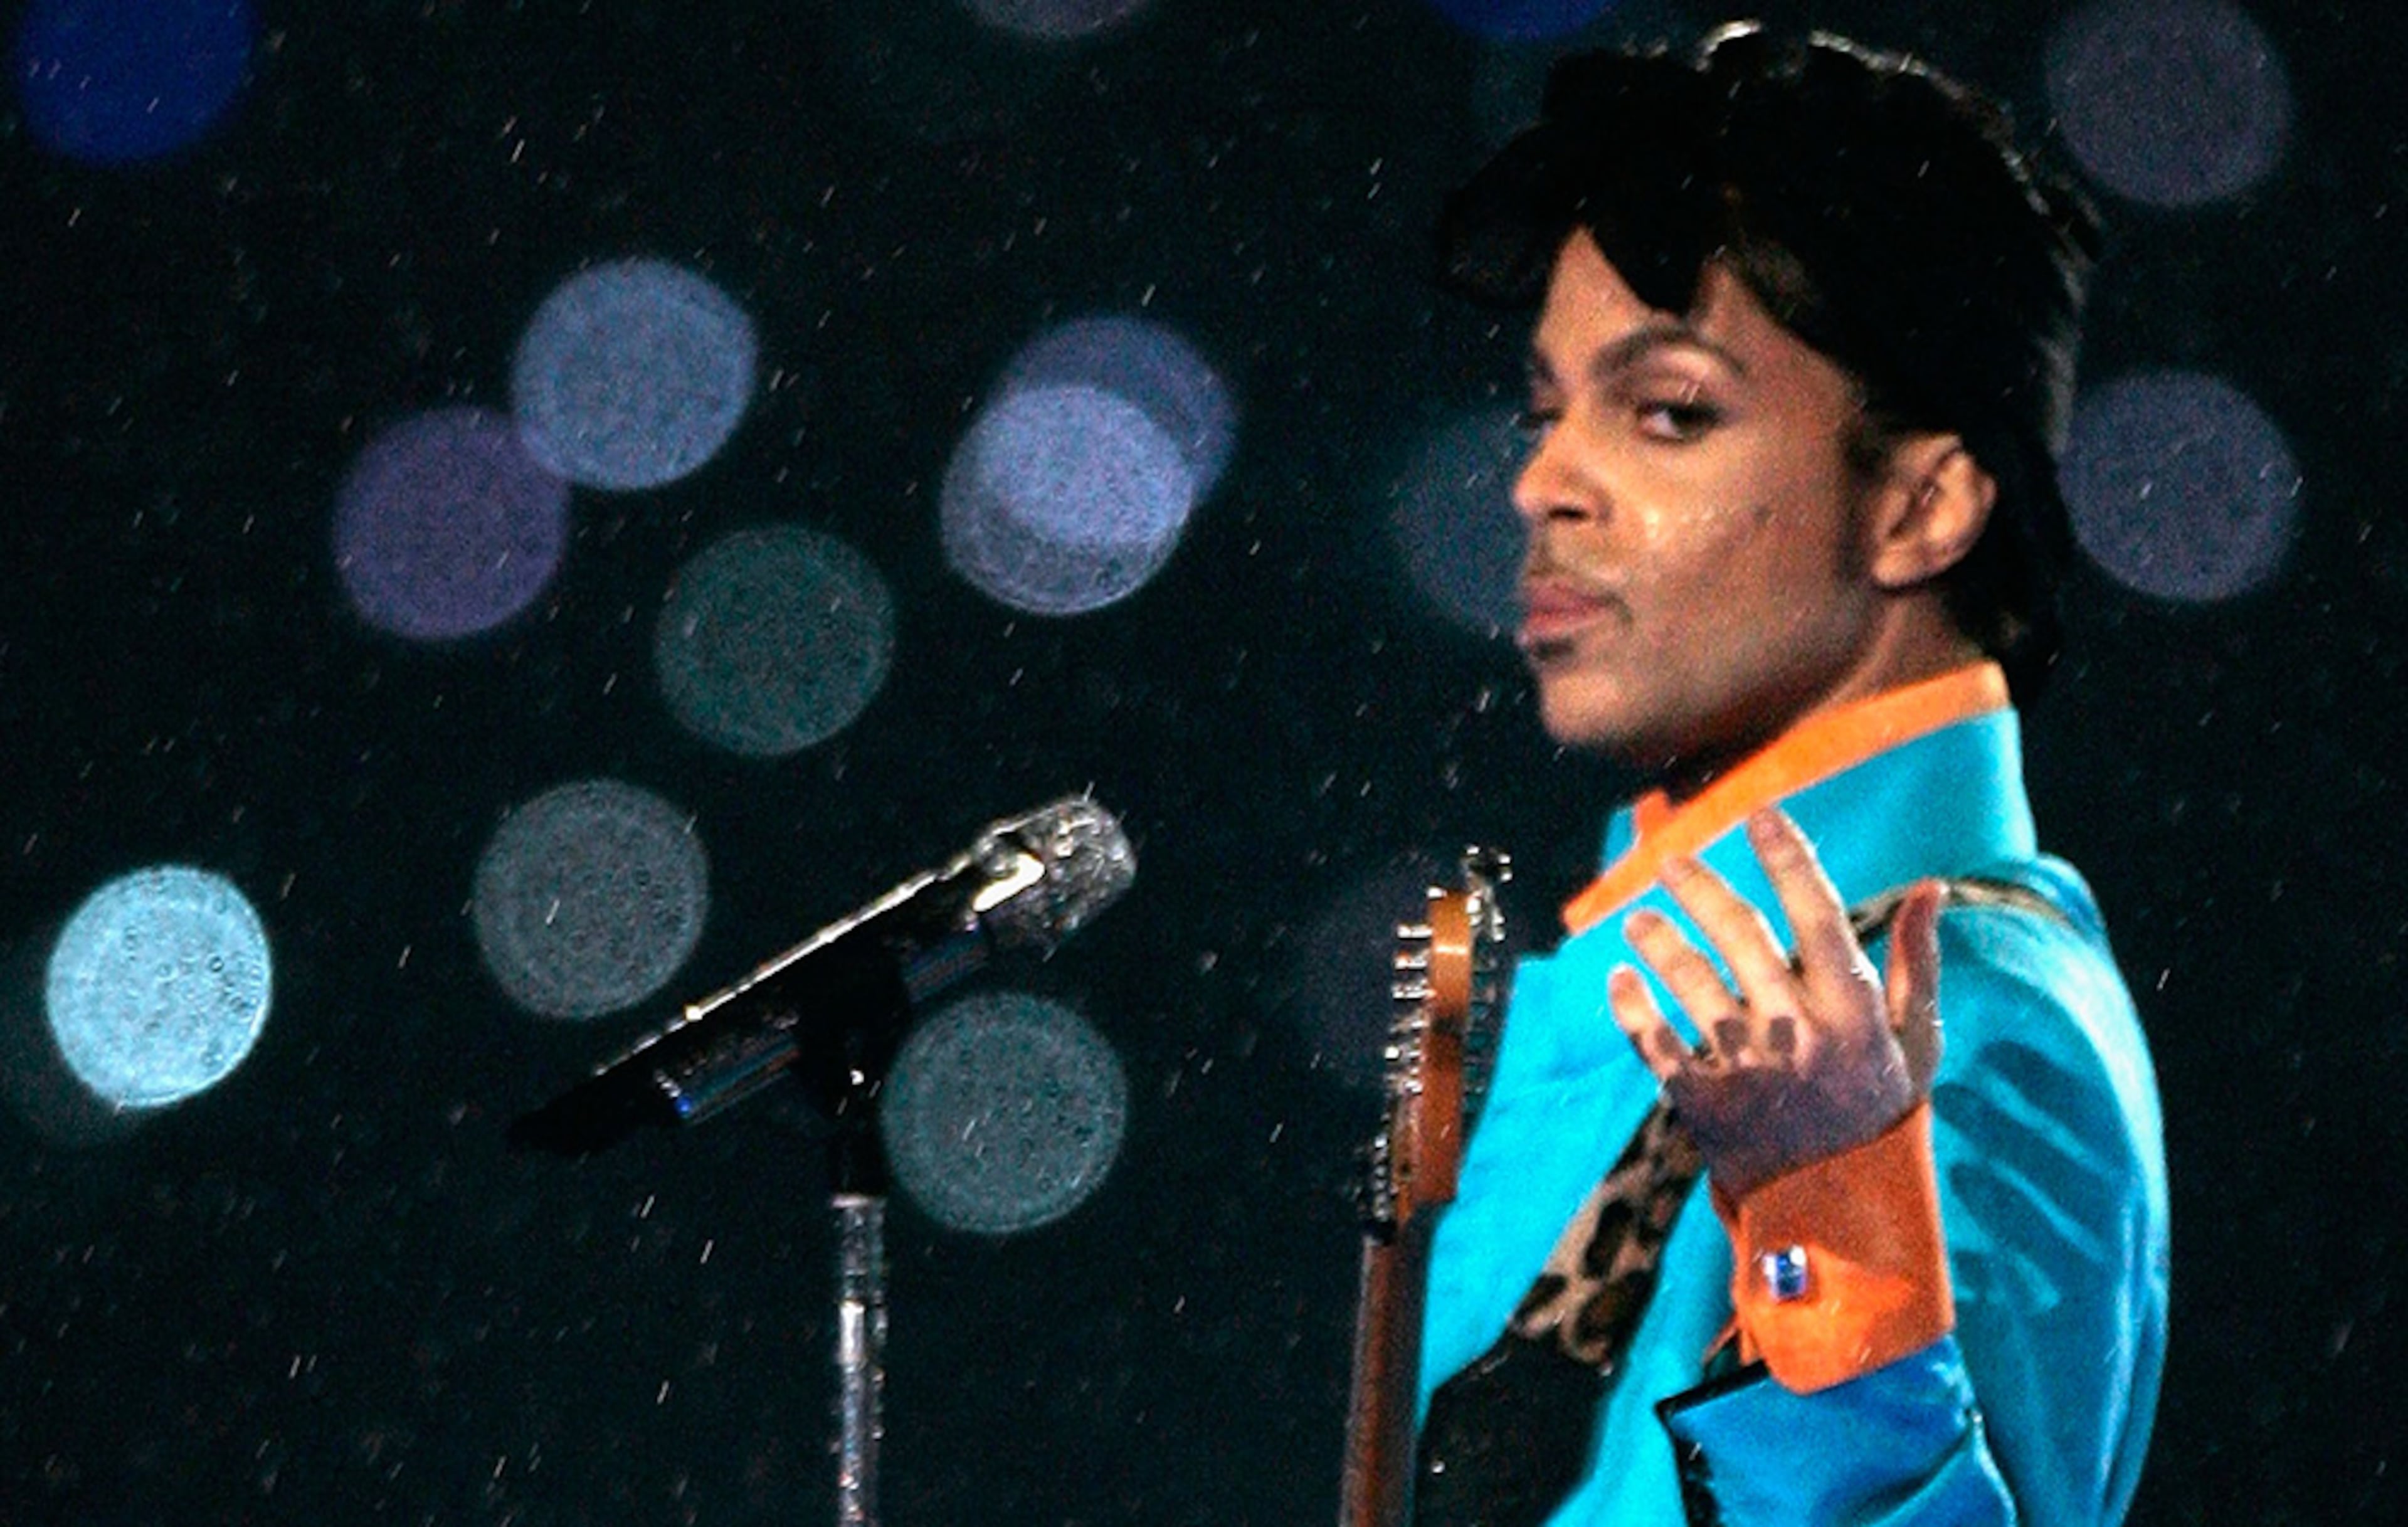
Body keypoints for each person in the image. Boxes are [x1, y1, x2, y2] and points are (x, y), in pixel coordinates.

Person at [1407, 23, 2170, 1527]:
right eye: (1547, 408)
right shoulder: (1698, 988)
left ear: (1923, 503)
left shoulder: (1953, 1013)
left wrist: (1838, 1213)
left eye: (1671, 411)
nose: (1542, 481)